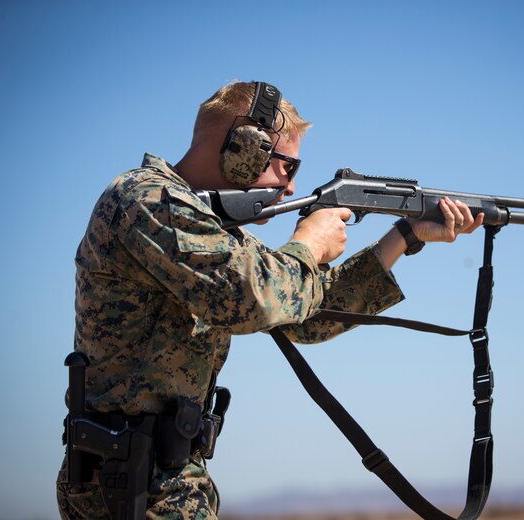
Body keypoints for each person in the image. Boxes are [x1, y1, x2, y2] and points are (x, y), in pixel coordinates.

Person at [56, 81, 484, 519]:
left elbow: (303, 317)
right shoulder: (146, 198)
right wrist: (309, 244)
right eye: (286, 165)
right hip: (129, 484)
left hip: (160, 479)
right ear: (245, 146)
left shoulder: (211, 228)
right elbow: (254, 299)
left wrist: (405, 237)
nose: (291, 185)